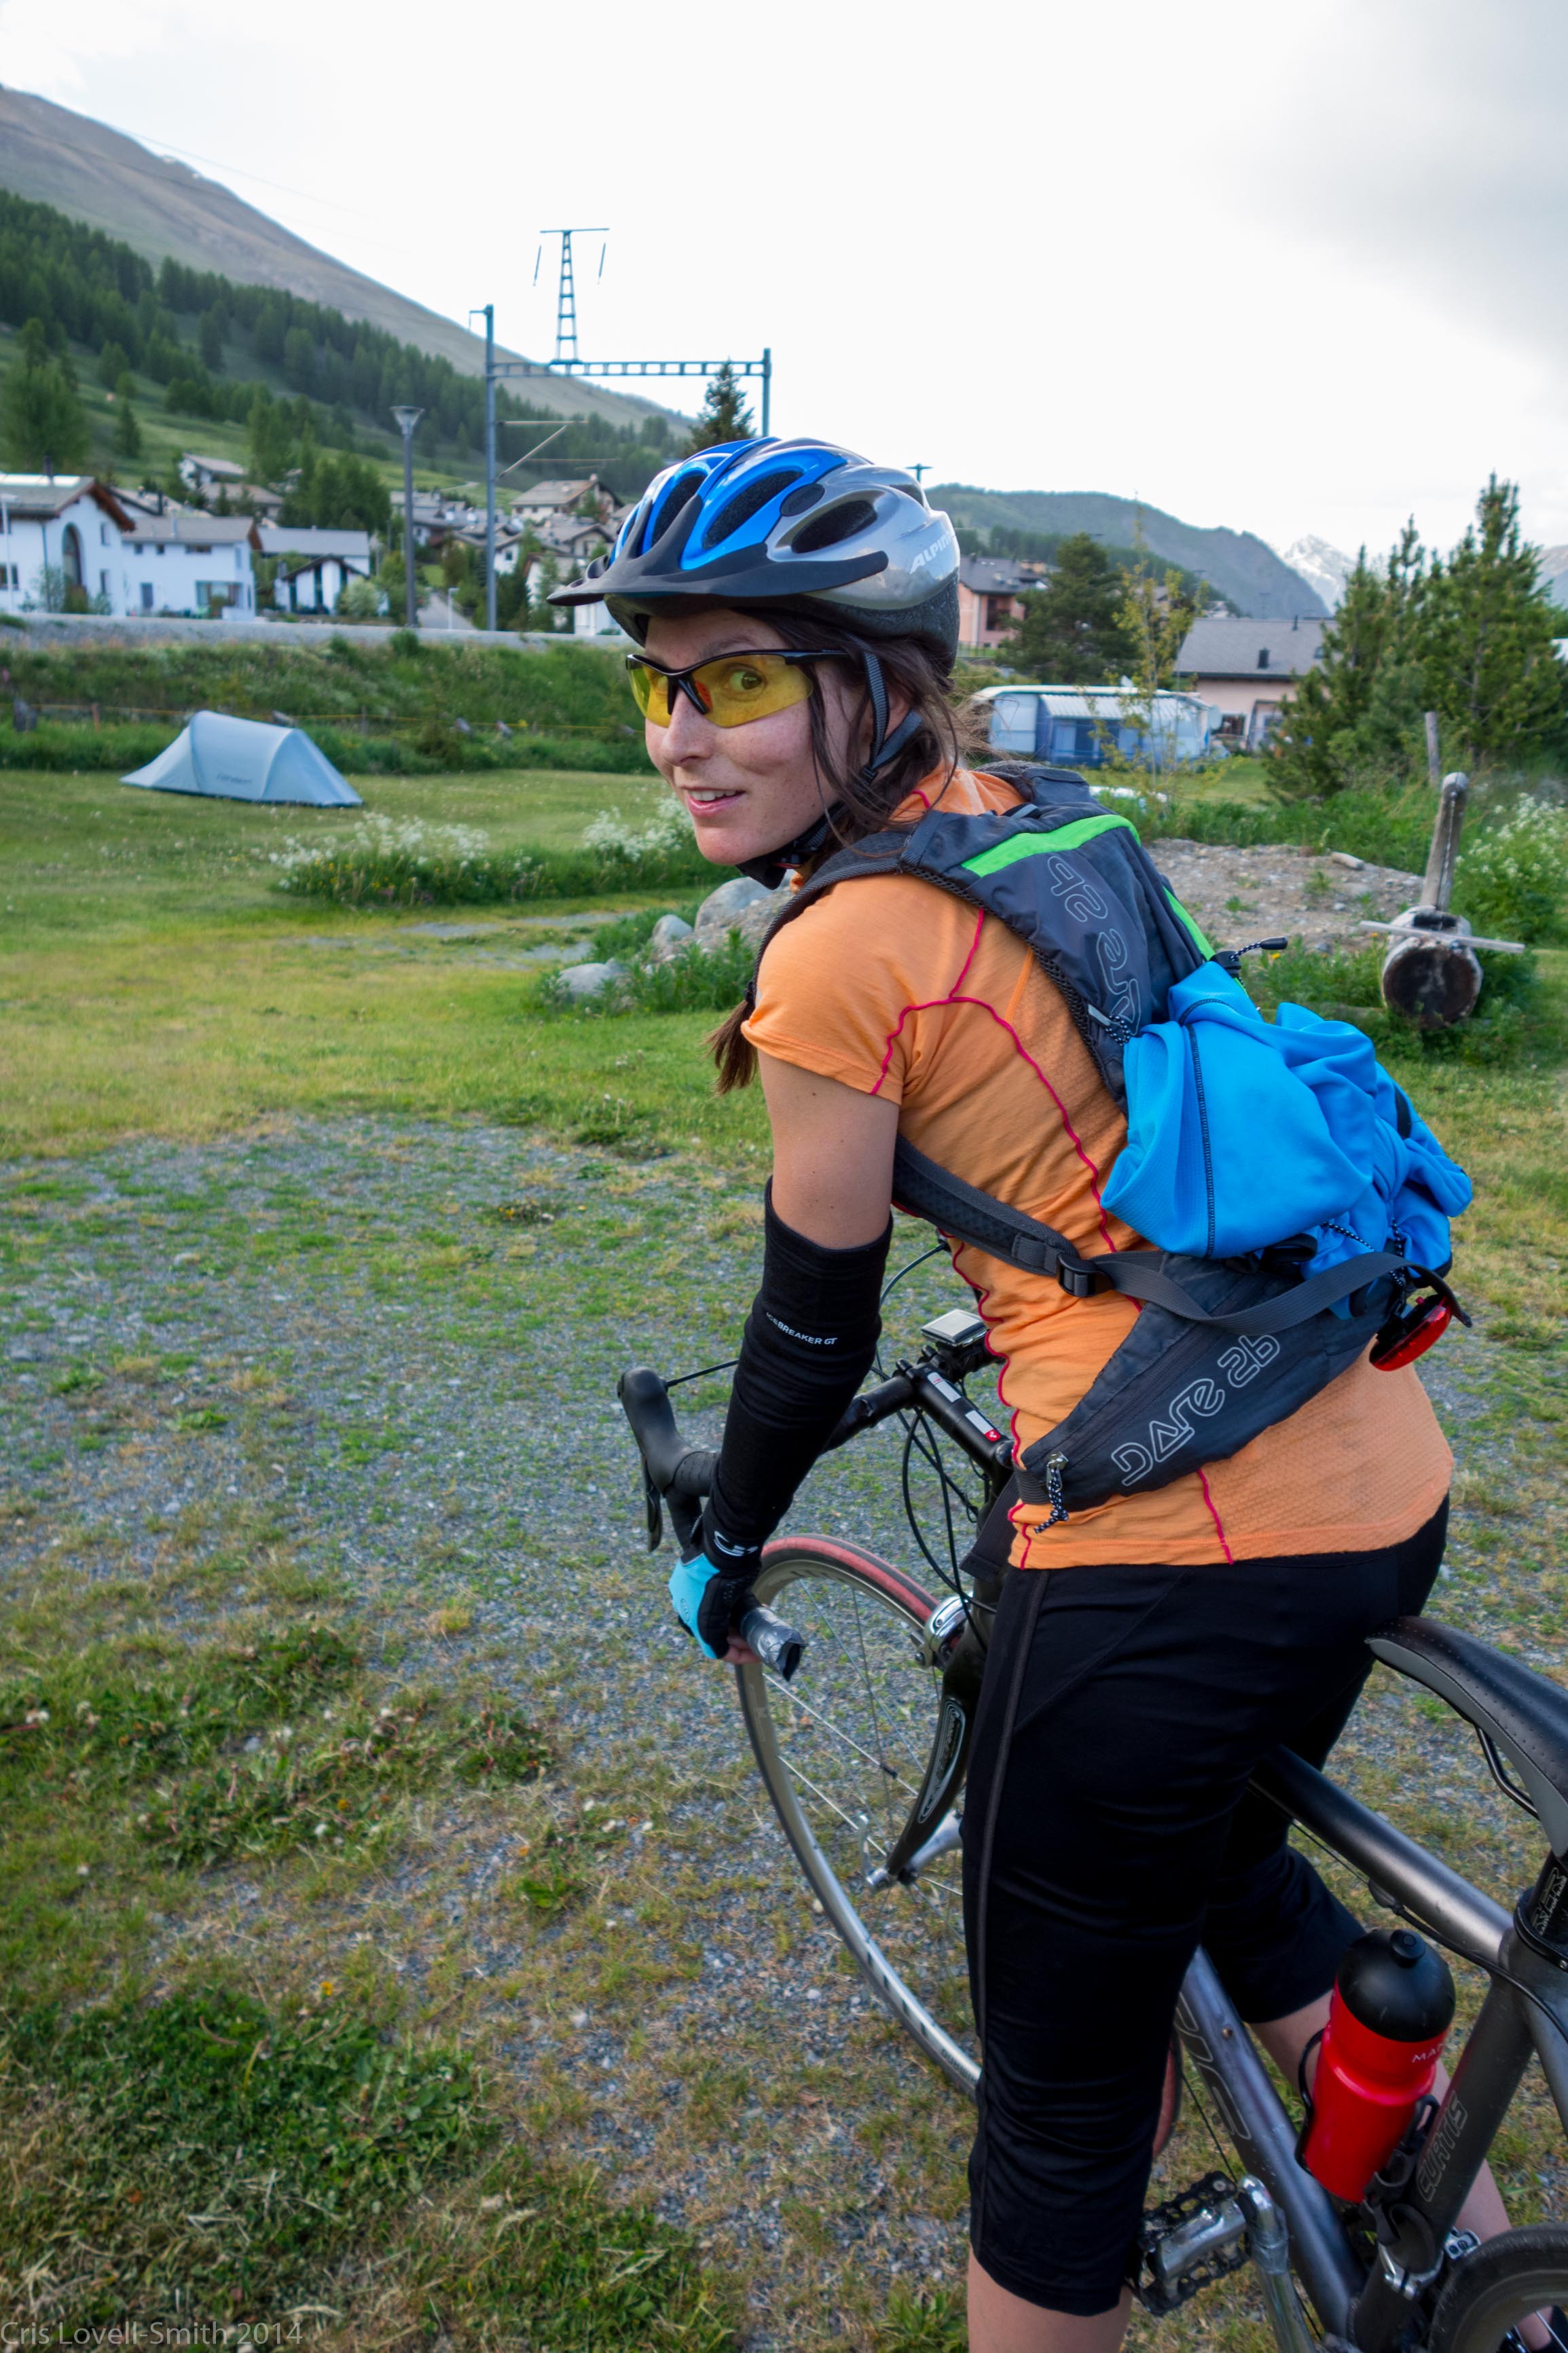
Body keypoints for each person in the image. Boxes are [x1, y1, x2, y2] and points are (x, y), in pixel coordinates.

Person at [553, 439, 1512, 2353]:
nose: (681, 737)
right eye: (655, 686)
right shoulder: (1046, 826)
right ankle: (1487, 2297)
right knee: (1221, 1860)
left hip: (1174, 1554)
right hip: (1377, 1476)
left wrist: (731, 1538)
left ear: (873, 683)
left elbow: (812, 1323)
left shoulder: (835, 952)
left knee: (1060, 2127)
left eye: (737, 679)